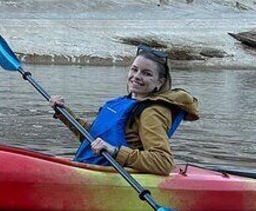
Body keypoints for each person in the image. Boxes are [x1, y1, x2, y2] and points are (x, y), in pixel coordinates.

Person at [49, 45, 199, 176]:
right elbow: (94, 137)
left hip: (111, 176)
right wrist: (64, 113)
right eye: (134, 70)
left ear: (160, 82)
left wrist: (114, 151)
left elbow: (162, 162)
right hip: (92, 169)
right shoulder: (121, 102)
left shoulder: (151, 112)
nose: (136, 76)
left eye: (147, 73)